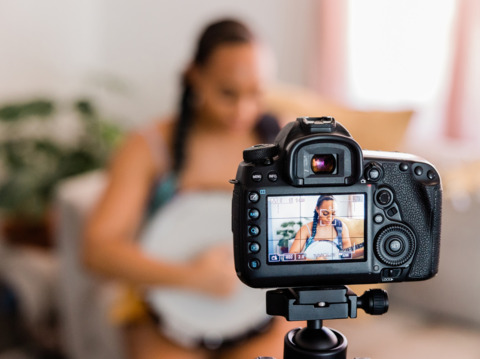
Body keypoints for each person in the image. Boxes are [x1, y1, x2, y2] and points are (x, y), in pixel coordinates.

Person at [83, 18, 295, 359]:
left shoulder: (283, 139)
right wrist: (191, 277)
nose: (243, 109)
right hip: (166, 323)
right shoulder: (148, 147)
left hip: (263, 316)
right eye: (228, 93)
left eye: (256, 93)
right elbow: (98, 250)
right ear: (194, 76)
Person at [289, 195, 361, 260]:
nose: (329, 218)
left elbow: (347, 255)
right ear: (317, 209)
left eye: (333, 214)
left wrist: (364, 251)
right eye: (325, 213)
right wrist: (311, 260)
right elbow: (292, 254)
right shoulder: (306, 229)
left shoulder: (341, 227)